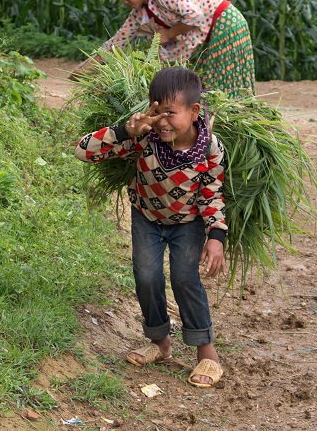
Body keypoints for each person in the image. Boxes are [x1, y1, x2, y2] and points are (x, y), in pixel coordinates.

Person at [74, 66, 226, 387]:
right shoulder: (145, 140)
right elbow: (83, 150)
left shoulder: (211, 147)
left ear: (194, 110)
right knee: (146, 276)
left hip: (188, 223)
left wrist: (216, 236)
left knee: (185, 279)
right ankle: (160, 343)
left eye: (170, 113)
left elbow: (212, 193)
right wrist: (126, 132)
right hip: (147, 218)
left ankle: (207, 354)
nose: (162, 121)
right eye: (156, 112)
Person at [73, 0, 255, 99]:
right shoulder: (139, 13)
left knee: (221, 83)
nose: (125, 2)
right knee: (210, 82)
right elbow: (116, 42)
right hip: (218, 29)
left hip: (226, 22)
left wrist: (168, 34)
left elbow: (195, 16)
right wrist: (83, 69)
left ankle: (233, 123)